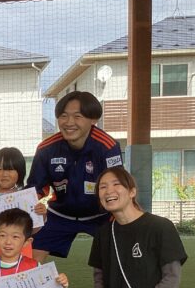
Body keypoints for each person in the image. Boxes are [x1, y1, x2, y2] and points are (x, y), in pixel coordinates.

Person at [27, 91, 123, 261]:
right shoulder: (46, 149)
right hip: (59, 215)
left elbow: (117, 187)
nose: (69, 122)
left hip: (99, 216)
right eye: (63, 116)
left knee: (116, 258)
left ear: (93, 119)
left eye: (77, 116)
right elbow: (34, 188)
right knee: (30, 258)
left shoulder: (107, 146)